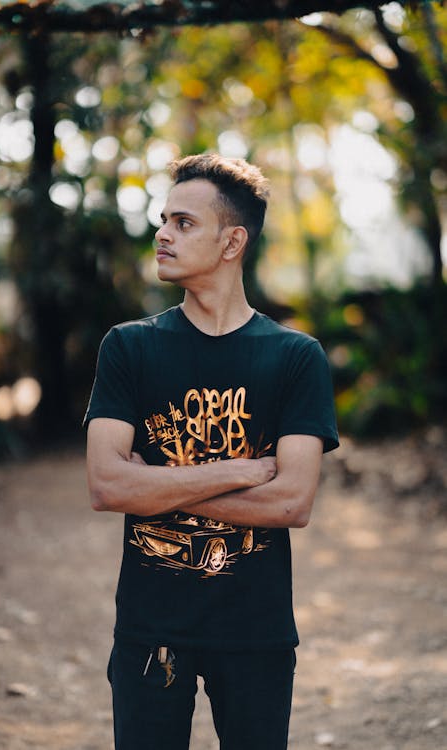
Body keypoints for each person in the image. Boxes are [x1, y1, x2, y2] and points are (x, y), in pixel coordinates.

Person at [84, 153, 339, 750]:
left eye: (184, 223)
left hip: (256, 631)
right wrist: (235, 472)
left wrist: (158, 488)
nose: (162, 234)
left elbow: (291, 504)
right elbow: (107, 487)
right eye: (163, 220)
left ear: (233, 242)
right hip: (151, 631)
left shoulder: (296, 358)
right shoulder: (128, 348)